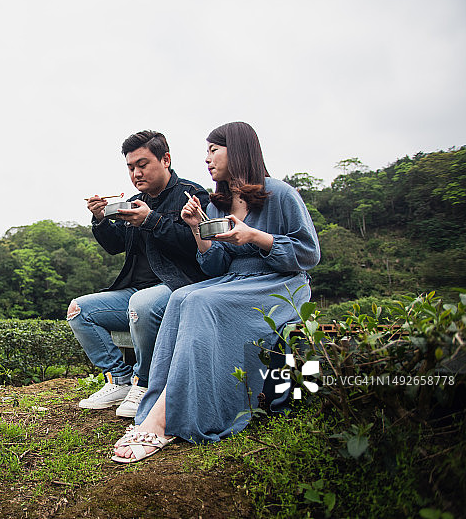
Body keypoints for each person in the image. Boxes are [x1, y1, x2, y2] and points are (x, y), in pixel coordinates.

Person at [112, 121, 320, 462]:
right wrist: (197, 229)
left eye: (214, 150)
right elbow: (215, 266)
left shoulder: (280, 193)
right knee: (182, 297)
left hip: (276, 284)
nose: (207, 159)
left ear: (237, 149)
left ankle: (164, 419)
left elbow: (308, 254)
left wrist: (254, 236)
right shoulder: (219, 204)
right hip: (234, 281)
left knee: (200, 301)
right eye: (206, 152)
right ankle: (164, 404)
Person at [68, 130, 209, 417]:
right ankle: (118, 379)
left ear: (166, 159)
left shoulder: (192, 194)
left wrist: (152, 221)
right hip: (135, 289)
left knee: (142, 304)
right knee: (79, 310)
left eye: (143, 164)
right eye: (131, 167)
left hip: (179, 286)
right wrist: (100, 219)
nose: (136, 173)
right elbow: (114, 245)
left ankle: (143, 383)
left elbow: (198, 245)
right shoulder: (133, 200)